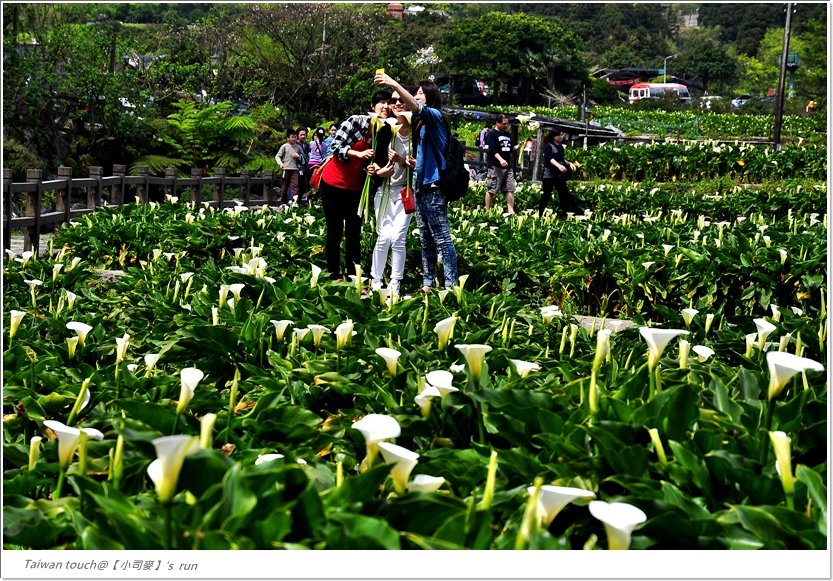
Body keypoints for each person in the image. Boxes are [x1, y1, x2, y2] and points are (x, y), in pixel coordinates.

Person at [375, 72, 458, 292]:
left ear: (430, 97)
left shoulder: (435, 116)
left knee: (442, 238)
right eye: (416, 93)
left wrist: (393, 83)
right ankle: (428, 283)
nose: (416, 97)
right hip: (420, 188)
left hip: (434, 187)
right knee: (426, 240)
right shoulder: (420, 124)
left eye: (420, 93)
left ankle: (451, 285)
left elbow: (416, 107)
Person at [317, 90, 391, 280]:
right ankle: (334, 274)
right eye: (381, 102)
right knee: (334, 232)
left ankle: (353, 275)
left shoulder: (386, 131)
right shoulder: (356, 121)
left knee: (353, 233)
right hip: (333, 184)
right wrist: (357, 154)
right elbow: (335, 147)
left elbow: (379, 161)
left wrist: (374, 169)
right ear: (372, 107)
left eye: (388, 103)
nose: (385, 106)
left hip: (356, 189)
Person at [369, 87, 417, 297]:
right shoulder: (385, 130)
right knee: (383, 237)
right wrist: (379, 170)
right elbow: (372, 163)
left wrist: (403, 161)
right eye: (394, 101)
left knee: (398, 238)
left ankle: (395, 282)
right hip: (384, 191)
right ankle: (376, 280)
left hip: (405, 192)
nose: (396, 104)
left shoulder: (416, 133)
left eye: (401, 101)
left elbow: (420, 165)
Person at [538, 129, 580, 217]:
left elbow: (561, 159)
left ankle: (565, 215)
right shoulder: (548, 146)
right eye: (559, 135)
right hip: (549, 176)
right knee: (546, 195)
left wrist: (569, 164)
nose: (562, 137)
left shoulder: (560, 147)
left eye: (562, 135)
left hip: (558, 175)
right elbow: (550, 159)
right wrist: (559, 166)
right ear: (554, 136)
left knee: (564, 194)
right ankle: (540, 214)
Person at [485, 113, 520, 214]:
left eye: (507, 124)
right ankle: (487, 210)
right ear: (497, 123)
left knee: (510, 188)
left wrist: (516, 148)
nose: (506, 126)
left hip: (507, 166)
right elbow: (493, 150)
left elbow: (509, 149)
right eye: (504, 124)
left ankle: (510, 210)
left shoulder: (507, 134)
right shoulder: (492, 134)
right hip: (495, 166)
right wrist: (500, 159)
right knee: (492, 189)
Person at [275, 128, 302, 205]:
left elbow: (303, 157)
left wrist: (298, 156)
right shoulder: (284, 146)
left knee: (295, 186)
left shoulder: (298, 147)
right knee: (284, 186)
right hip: (286, 169)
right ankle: (283, 202)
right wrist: (280, 163)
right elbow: (277, 156)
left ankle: (294, 202)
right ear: (288, 138)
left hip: (295, 169)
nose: (294, 139)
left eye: (295, 137)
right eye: (292, 137)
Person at [306, 128, 328, 199]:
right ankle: (317, 198)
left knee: (310, 182)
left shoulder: (311, 143)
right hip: (320, 165)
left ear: (316, 135)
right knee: (318, 182)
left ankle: (309, 198)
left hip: (311, 164)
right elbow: (325, 156)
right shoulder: (325, 145)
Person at [296, 127, 311, 204]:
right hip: (298, 167)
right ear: (297, 135)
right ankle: (296, 201)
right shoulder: (295, 144)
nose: (303, 136)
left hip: (306, 167)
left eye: (304, 135)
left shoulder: (307, 144)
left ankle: (304, 201)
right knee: (298, 185)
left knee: (306, 185)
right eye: (301, 135)